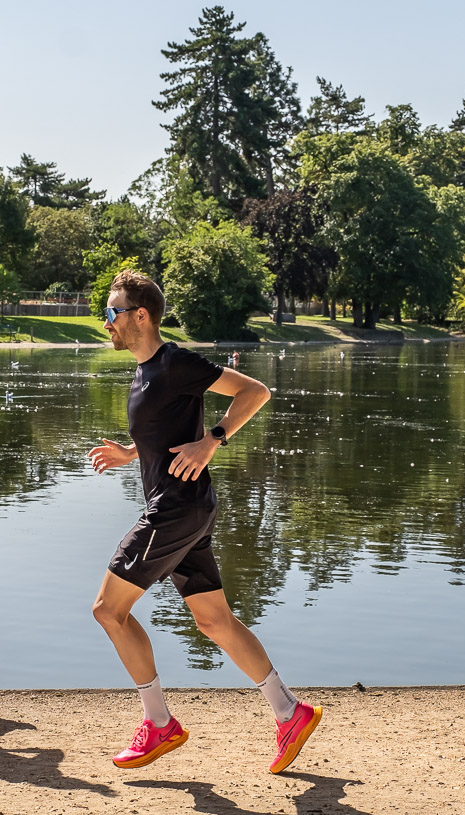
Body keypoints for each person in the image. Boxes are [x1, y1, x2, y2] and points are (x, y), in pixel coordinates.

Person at [87, 271, 320, 772]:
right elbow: (165, 432)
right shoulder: (144, 372)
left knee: (108, 611)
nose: (106, 322)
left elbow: (254, 392)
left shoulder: (174, 362)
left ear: (140, 316)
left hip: (175, 509)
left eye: (112, 312)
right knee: (213, 620)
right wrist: (131, 453)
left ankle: (159, 724)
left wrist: (213, 438)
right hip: (186, 507)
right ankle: (289, 711)